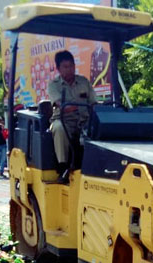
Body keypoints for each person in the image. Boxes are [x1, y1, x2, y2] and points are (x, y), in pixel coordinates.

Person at [47, 50, 97, 184]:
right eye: (65, 66)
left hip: (84, 121)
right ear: (58, 69)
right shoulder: (54, 85)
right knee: (58, 129)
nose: (70, 69)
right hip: (64, 120)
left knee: (99, 129)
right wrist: (78, 106)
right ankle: (63, 168)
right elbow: (60, 105)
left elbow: (93, 102)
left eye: (72, 66)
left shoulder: (84, 82)